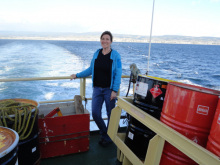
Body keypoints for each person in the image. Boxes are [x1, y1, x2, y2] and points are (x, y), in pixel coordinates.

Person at [71, 31, 122, 147]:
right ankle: (106, 134)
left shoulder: (115, 55)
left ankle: (108, 137)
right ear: (100, 40)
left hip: (109, 90)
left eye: (107, 39)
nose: (104, 41)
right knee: (95, 113)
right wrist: (77, 75)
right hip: (97, 89)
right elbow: (90, 69)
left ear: (111, 41)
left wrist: (114, 90)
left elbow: (118, 74)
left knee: (110, 114)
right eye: (103, 38)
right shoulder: (96, 53)